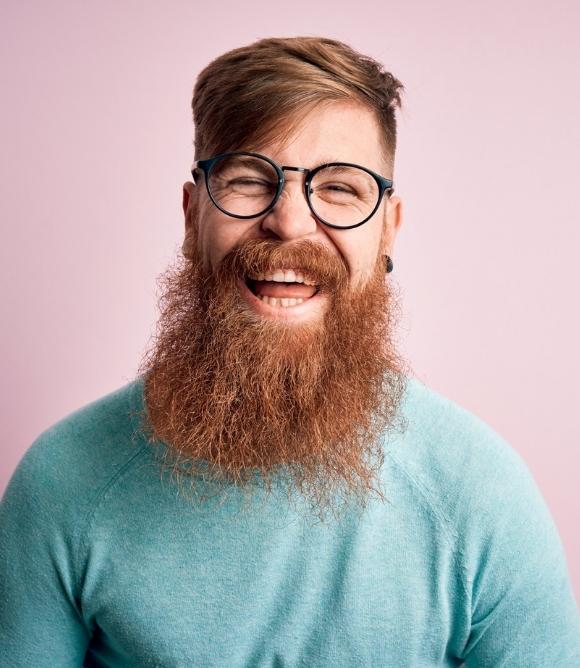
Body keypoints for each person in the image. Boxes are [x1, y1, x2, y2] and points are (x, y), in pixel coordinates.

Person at [1, 35, 578, 667]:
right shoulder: (65, 484)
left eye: (339, 188)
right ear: (192, 214)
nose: (290, 222)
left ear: (389, 227)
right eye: (250, 179)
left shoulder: (480, 497)